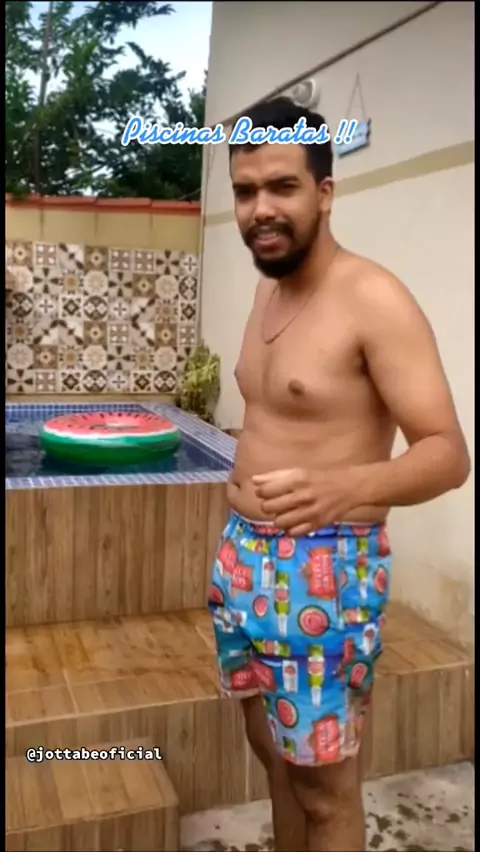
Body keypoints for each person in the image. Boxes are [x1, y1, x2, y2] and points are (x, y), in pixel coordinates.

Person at [207, 97, 470, 852]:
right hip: (243, 562)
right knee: (273, 758)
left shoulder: (373, 299)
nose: (261, 208)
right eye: (246, 190)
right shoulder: (268, 288)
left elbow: (448, 452)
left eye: (282, 186)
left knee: (325, 792)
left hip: (322, 574)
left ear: (324, 192)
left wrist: (343, 488)